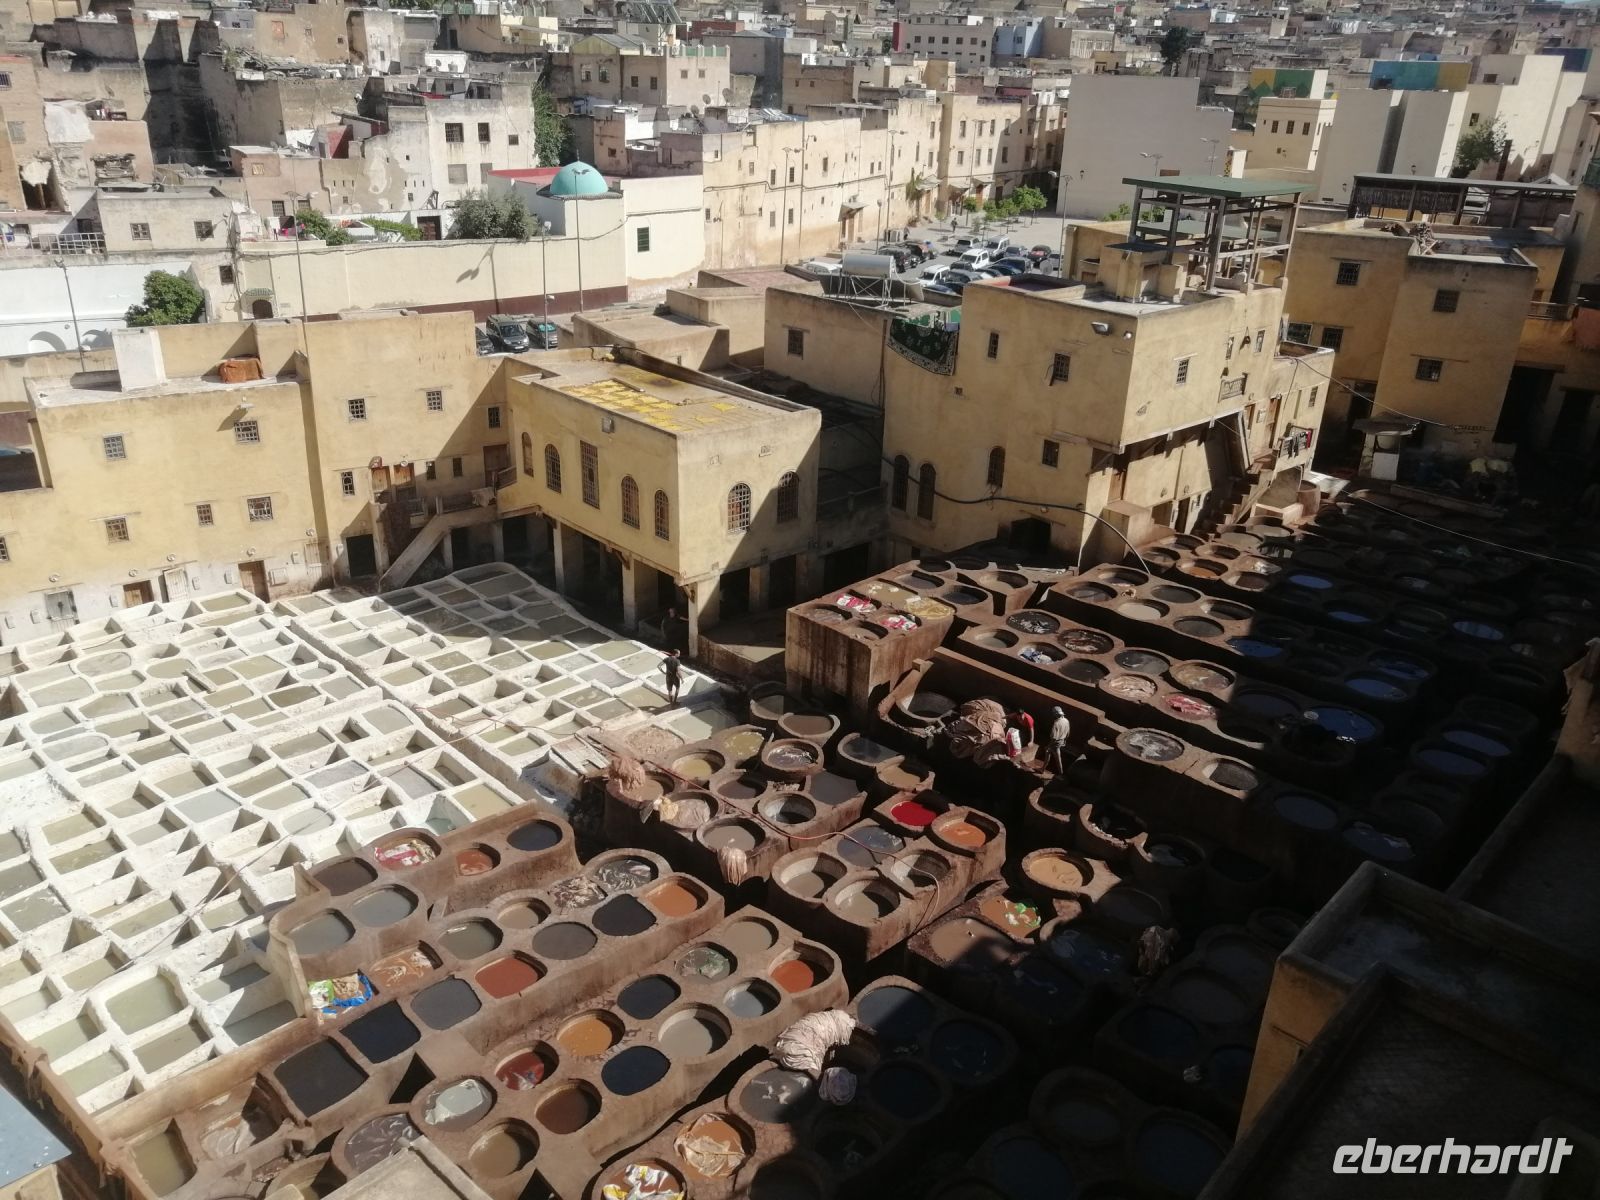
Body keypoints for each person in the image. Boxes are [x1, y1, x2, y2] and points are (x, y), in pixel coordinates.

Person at [1045, 706, 1071, 774]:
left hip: (1055, 743)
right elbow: (1068, 733)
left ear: (1055, 714)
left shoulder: (1056, 724)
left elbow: (1054, 738)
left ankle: (1061, 773)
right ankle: (1044, 768)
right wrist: (1065, 741)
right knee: (1051, 754)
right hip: (1061, 741)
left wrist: (1048, 746)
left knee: (1050, 753)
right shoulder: (1066, 720)